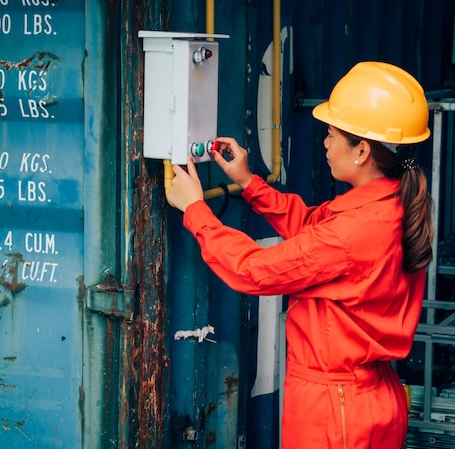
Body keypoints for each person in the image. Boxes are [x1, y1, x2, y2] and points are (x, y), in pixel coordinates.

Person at [166, 61, 433, 449]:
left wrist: (196, 211)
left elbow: (255, 270)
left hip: (335, 411)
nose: (325, 143)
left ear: (361, 150)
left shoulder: (354, 230)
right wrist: (248, 182)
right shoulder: (388, 204)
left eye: (331, 134)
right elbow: (313, 229)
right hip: (370, 399)